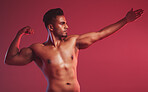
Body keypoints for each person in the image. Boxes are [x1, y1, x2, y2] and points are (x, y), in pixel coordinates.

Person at [4, 8, 143, 92]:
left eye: (66, 23)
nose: (67, 26)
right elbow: (10, 59)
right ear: (51, 27)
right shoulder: (38, 49)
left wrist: (125, 20)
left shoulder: (74, 42)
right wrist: (19, 34)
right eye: (62, 23)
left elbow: (100, 34)